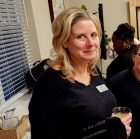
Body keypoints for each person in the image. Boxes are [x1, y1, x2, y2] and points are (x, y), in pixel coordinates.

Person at [28, 8, 131, 139]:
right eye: (80, 36)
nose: (91, 43)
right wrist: (112, 129)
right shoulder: (49, 85)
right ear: (64, 41)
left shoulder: (93, 71)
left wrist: (117, 128)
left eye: (93, 35)